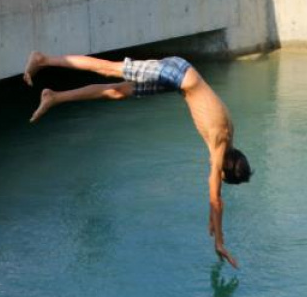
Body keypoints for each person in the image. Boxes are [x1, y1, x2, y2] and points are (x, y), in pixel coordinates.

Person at [23, 50, 252, 268]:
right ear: (225, 168)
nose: (215, 172)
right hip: (177, 73)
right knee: (109, 69)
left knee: (116, 92)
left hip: (180, 80)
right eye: (221, 174)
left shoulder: (229, 135)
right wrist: (219, 241)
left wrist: (212, 220)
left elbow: (215, 197)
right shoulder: (221, 142)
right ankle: (43, 59)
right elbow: (216, 198)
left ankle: (54, 97)